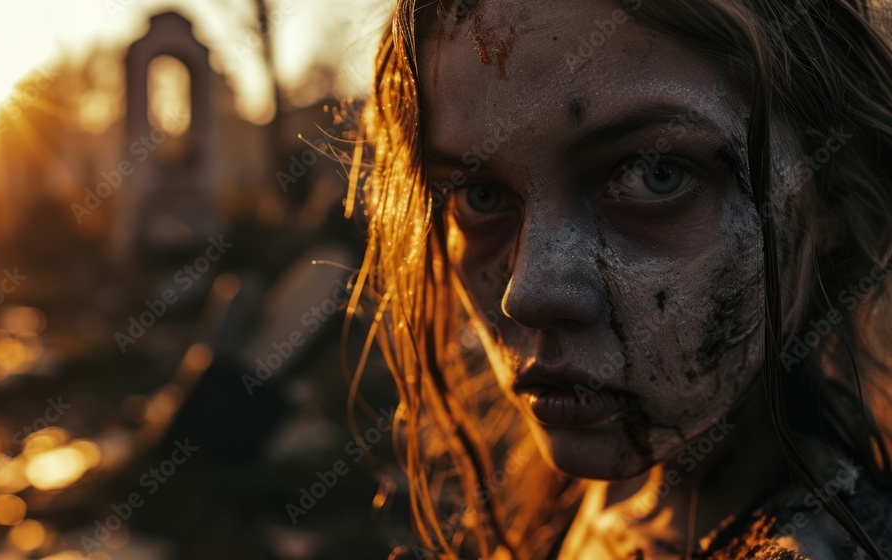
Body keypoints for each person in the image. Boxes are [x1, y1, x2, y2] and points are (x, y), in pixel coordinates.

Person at [345, 0, 892, 558]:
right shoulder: (588, 493)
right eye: (477, 194)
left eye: (656, 174)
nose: (529, 294)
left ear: (837, 191)